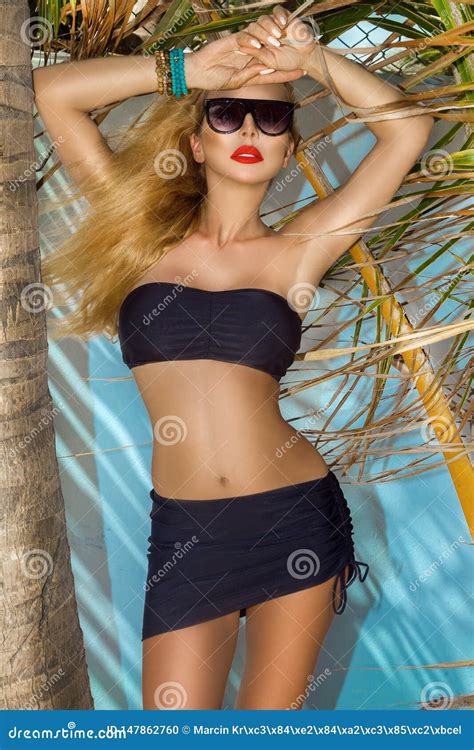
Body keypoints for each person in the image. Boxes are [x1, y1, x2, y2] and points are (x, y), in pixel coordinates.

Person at [33, 4, 434, 711]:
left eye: (272, 119)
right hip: (188, 532)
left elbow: (408, 129)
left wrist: (308, 61)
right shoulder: (139, 243)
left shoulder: (300, 249)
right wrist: (187, 69)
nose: (250, 129)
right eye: (227, 115)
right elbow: (51, 94)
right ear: (193, 143)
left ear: (288, 151)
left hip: (291, 519)